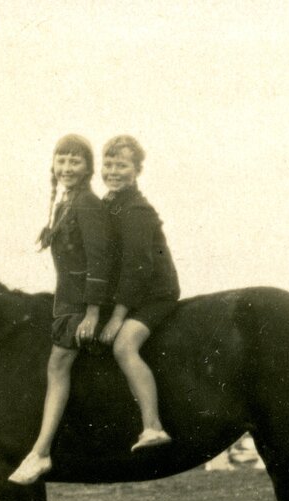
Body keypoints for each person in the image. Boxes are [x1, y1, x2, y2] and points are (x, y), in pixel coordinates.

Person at [9, 134, 115, 485]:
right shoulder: (64, 203)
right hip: (68, 300)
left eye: (75, 161)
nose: (67, 168)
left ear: (87, 168)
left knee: (58, 365)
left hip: (85, 303)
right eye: (61, 160)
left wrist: (93, 313)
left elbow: (101, 261)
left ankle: (40, 452)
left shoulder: (86, 204)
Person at [98, 135, 180, 450]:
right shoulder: (109, 203)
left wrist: (118, 316)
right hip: (130, 293)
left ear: (137, 170)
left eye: (122, 165)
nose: (114, 171)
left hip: (155, 294)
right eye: (108, 164)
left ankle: (152, 425)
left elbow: (137, 267)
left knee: (124, 345)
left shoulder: (136, 209)